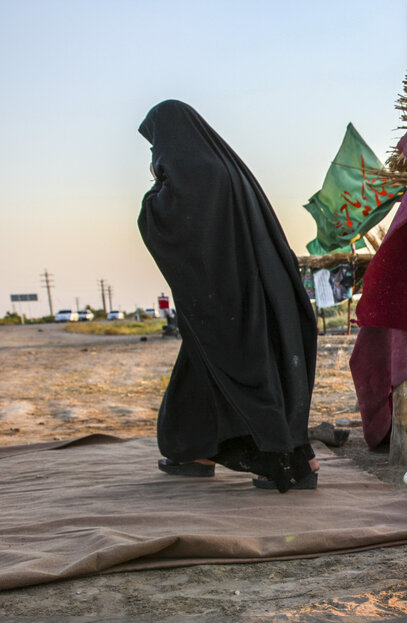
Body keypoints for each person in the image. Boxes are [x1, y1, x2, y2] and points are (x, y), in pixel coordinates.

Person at [138, 99, 320, 492]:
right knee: (202, 373)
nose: (156, 156)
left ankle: (286, 462)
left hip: (233, 306)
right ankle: (194, 452)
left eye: (156, 147)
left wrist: (154, 188)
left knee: (250, 375)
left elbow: (166, 222)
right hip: (257, 295)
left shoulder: (196, 173)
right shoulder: (226, 167)